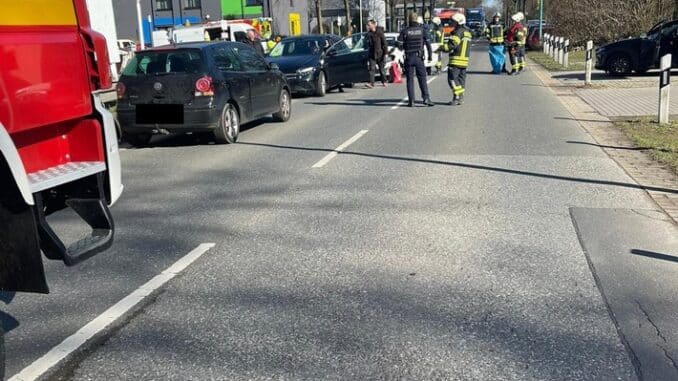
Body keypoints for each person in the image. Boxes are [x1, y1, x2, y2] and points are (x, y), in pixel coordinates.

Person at [398, 12, 434, 107]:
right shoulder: (422, 30)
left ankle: (411, 101)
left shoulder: (404, 31)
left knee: (410, 80)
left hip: (409, 57)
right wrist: (430, 56)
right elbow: (428, 45)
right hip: (419, 58)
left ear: (409, 20)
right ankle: (426, 98)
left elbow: (399, 46)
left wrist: (404, 46)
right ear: (417, 20)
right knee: (422, 78)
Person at [443, 13, 471, 105]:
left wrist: (440, 48)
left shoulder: (458, 32)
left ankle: (457, 97)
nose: (451, 23)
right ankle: (461, 97)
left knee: (452, 79)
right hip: (464, 61)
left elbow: (452, 45)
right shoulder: (467, 32)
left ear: (458, 22)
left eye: (453, 21)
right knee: (461, 80)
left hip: (456, 60)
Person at [366, 20, 388, 88]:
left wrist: (385, 53)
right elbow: (368, 44)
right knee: (371, 69)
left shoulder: (379, 32)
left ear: (373, 25)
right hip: (372, 54)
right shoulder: (369, 34)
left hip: (380, 53)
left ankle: (384, 81)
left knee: (381, 69)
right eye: (368, 25)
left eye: (369, 25)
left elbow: (384, 43)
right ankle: (371, 83)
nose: (368, 26)